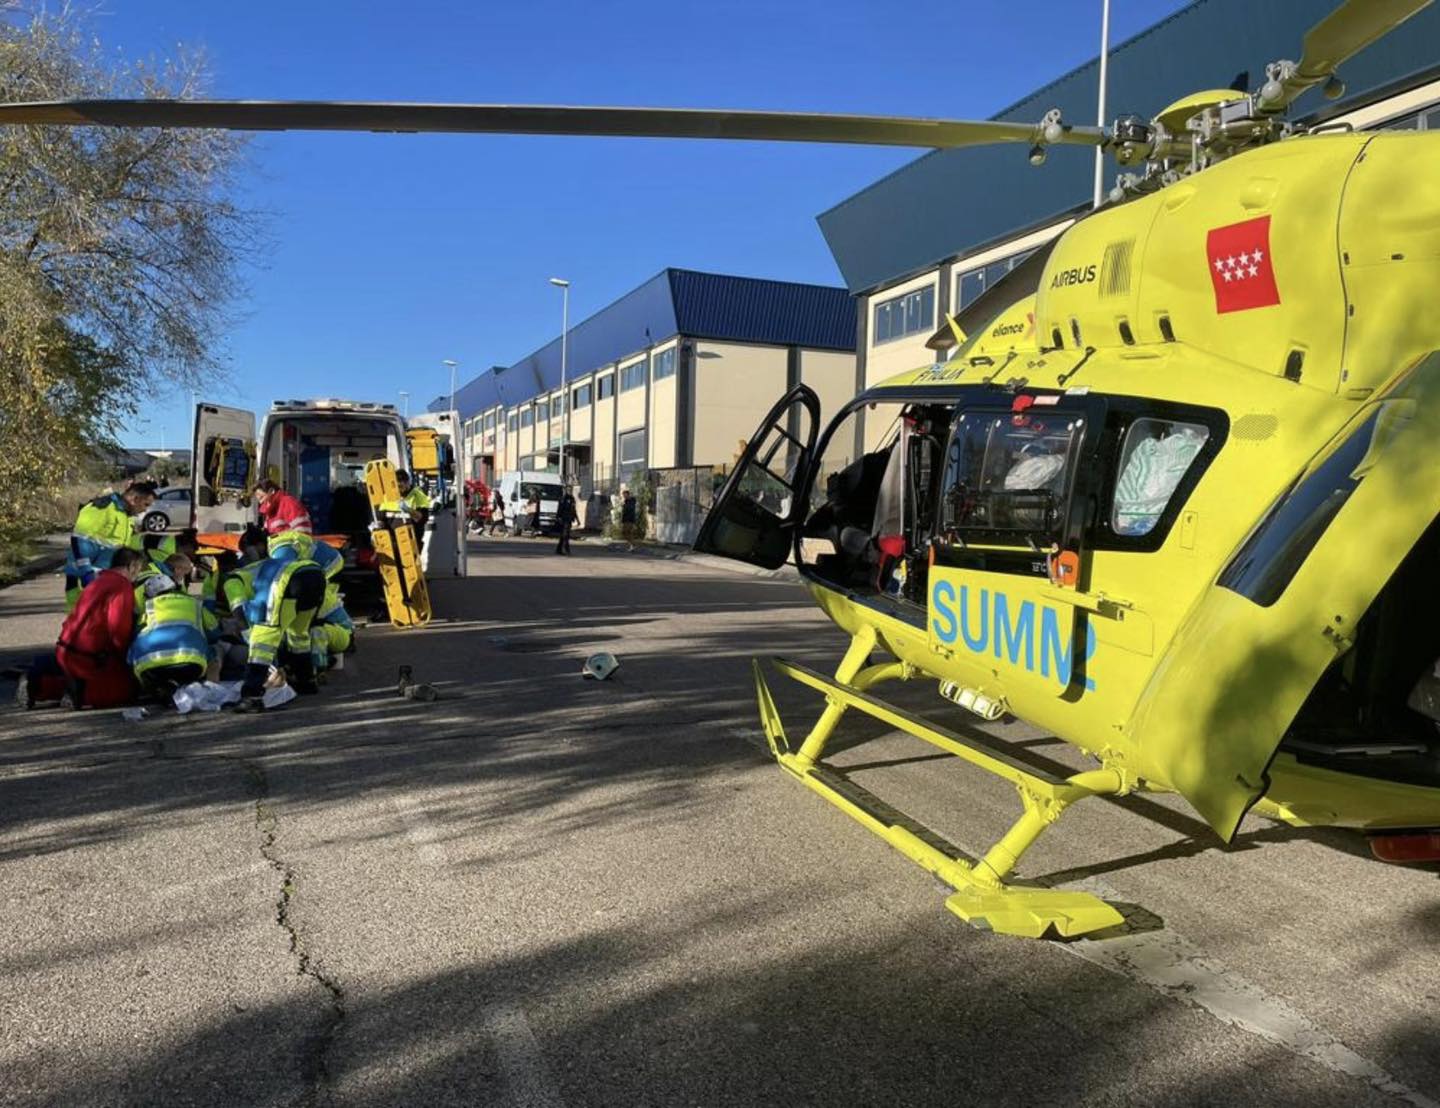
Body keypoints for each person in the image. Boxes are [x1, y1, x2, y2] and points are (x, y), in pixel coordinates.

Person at [222, 525, 326, 711]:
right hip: (313, 575)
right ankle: (306, 681)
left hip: (286, 581)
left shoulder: (232, 579)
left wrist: (248, 635)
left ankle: (251, 696)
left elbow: (238, 612)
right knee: (298, 634)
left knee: (263, 638)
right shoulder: (261, 566)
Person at [54, 547, 147, 708]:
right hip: (89, 656)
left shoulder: (99, 580)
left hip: (67, 647)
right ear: (131, 566)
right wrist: (128, 653)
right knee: (126, 691)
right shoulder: (121, 586)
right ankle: (48, 686)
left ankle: (66, 685)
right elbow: (118, 628)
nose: (137, 574)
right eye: (138, 569)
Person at [129, 555, 220, 701]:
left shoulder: (147, 597)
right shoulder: (175, 589)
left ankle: (152, 688)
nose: (188, 575)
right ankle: (212, 692)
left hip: (150, 664)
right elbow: (213, 631)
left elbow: (136, 631)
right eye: (186, 571)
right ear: (177, 571)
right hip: (192, 661)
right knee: (215, 651)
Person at [64, 481, 155, 610]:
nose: (145, 510)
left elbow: (122, 545)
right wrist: (86, 574)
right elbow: (80, 540)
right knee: (82, 620)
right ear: (135, 499)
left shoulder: (125, 515)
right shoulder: (101, 508)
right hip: (86, 578)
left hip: (105, 577)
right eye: (146, 504)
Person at [394, 470, 432, 554]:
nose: (399, 490)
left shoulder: (418, 494)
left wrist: (408, 510)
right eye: (396, 487)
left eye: (401, 486)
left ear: (408, 482)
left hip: (412, 541)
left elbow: (423, 518)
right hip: (393, 543)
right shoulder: (391, 495)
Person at [555, 487, 577, 555]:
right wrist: (558, 517)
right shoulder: (563, 498)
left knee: (564, 535)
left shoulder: (572, 498)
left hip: (569, 519)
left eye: (571, 490)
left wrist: (576, 519)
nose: (570, 491)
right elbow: (560, 508)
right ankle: (566, 550)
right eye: (568, 490)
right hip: (564, 519)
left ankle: (559, 549)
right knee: (565, 535)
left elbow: (573, 509)